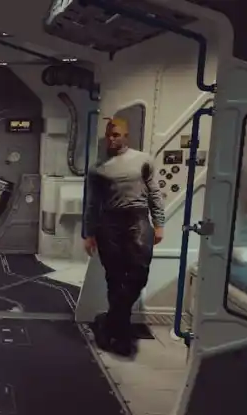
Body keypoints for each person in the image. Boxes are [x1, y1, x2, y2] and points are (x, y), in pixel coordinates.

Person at [83, 117, 166, 357]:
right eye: (109, 135)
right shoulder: (98, 168)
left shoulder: (143, 160)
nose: (112, 139)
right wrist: (88, 233)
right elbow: (92, 203)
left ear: (126, 136)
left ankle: (110, 321)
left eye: (116, 135)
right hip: (109, 222)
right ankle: (120, 333)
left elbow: (154, 193)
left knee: (138, 274)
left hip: (137, 219)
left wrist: (159, 223)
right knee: (115, 277)